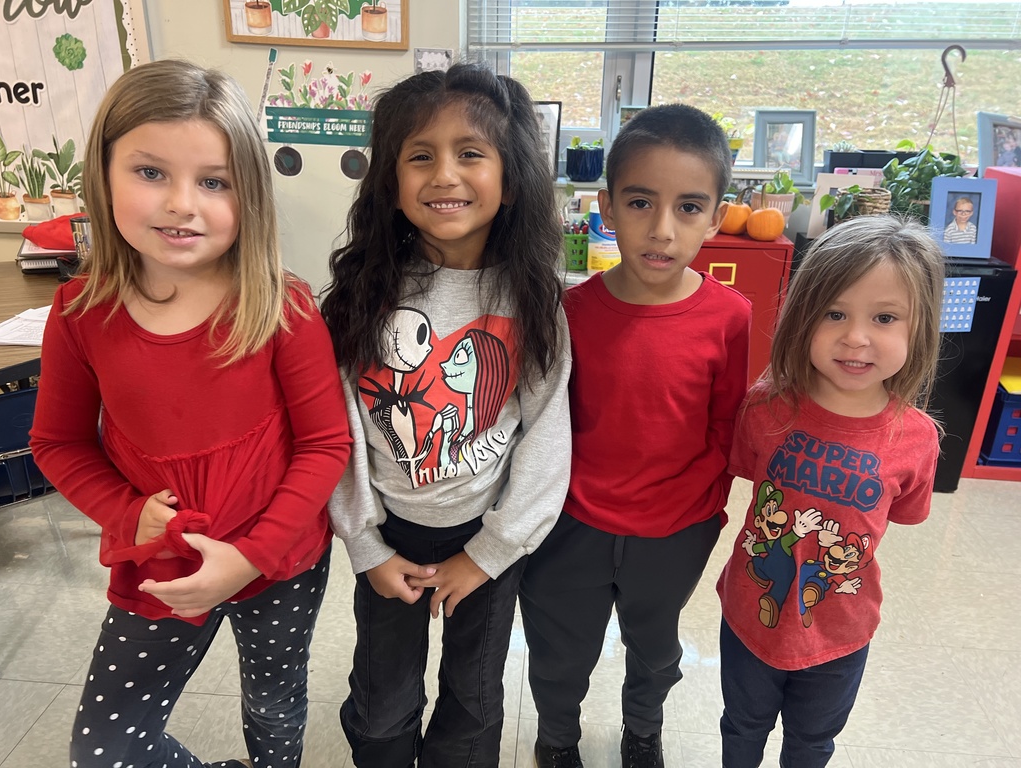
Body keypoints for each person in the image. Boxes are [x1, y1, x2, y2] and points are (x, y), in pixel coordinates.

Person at [29, 59, 352, 768]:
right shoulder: (80, 314)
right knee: (106, 748)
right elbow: (56, 443)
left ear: (249, 196)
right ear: (103, 173)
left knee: (274, 707)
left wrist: (251, 557)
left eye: (214, 182)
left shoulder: (282, 306)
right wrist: (123, 510)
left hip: (280, 562)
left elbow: (327, 445)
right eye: (151, 173)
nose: (183, 204)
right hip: (163, 563)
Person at [319, 62, 571, 768]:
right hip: (386, 536)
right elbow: (335, 430)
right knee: (380, 705)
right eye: (420, 156)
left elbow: (546, 435)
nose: (444, 175)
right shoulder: (354, 300)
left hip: (487, 542)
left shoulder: (534, 301)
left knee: (472, 704)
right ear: (390, 185)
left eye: (470, 153)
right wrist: (366, 547)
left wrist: (488, 554)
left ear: (510, 179)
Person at [519, 104, 752, 768]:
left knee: (655, 650)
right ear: (608, 206)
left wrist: (697, 511)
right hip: (572, 525)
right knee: (561, 649)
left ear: (715, 216)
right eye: (642, 202)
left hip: (676, 529)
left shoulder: (731, 317)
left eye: (688, 208)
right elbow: (546, 422)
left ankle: (642, 731)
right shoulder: (569, 312)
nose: (661, 229)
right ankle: (556, 736)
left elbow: (727, 423)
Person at [715, 215, 944, 767]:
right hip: (750, 613)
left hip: (841, 630)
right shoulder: (764, 407)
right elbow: (748, 476)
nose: (856, 337)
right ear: (801, 318)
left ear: (919, 330)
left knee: (813, 742)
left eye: (884, 317)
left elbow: (908, 514)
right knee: (742, 727)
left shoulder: (916, 438)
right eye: (834, 313)